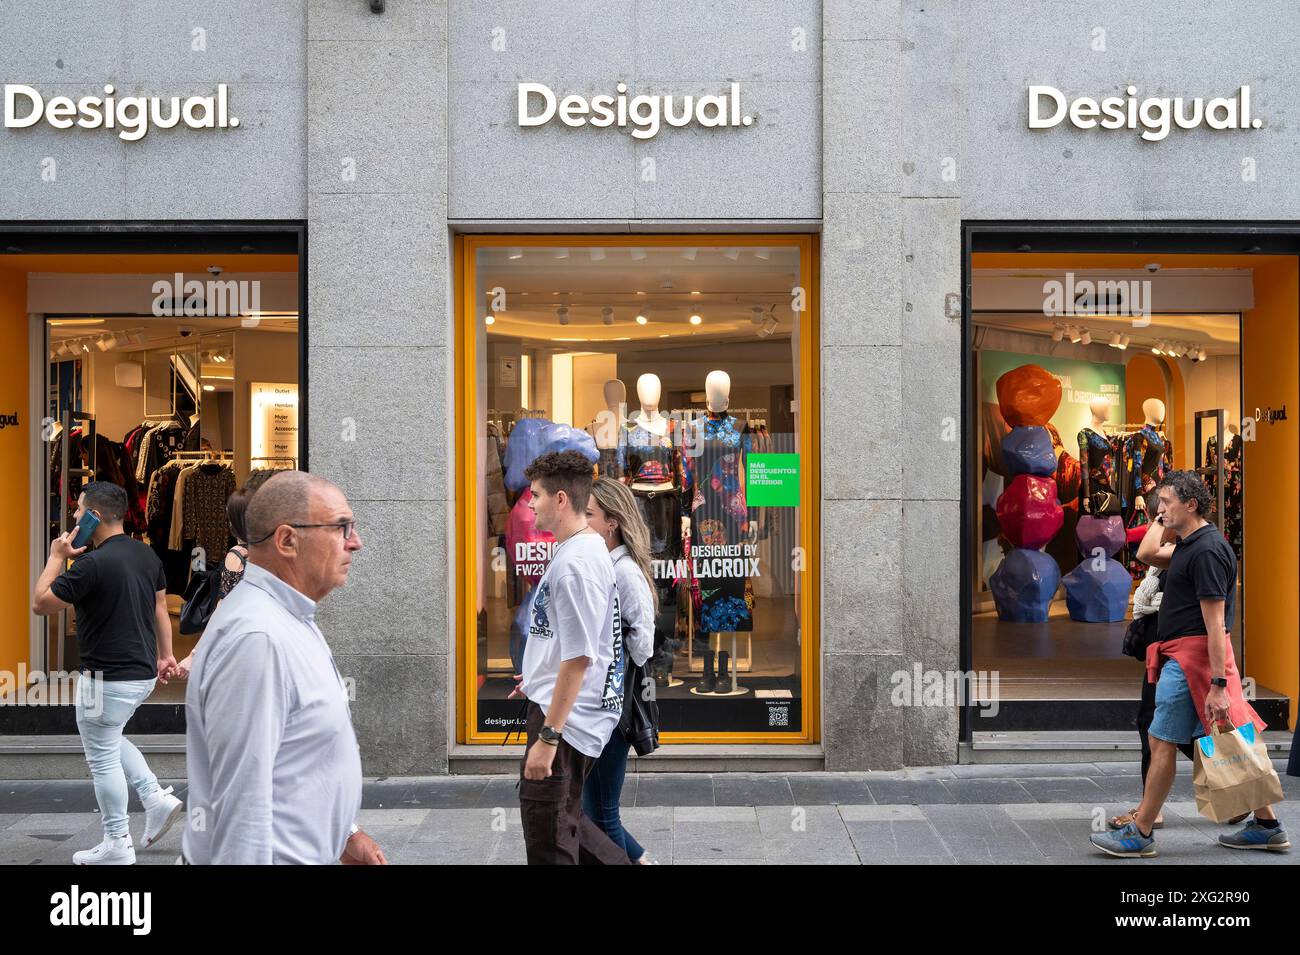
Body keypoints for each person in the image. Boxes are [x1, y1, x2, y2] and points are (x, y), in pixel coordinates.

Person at [181, 471, 387, 865]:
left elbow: (296, 759)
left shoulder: (286, 615)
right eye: (341, 527)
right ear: (287, 540)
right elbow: (243, 804)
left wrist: (344, 834)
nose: (355, 542)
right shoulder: (258, 638)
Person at [1091, 470, 1289, 857]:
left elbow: (1217, 625)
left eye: (1166, 502)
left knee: (1161, 738)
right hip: (1187, 659)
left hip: (1193, 663)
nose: (1159, 509)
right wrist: (1160, 520)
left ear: (1192, 505)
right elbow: (1147, 553)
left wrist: (1217, 684)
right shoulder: (1190, 545)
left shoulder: (1207, 551)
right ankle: (1267, 825)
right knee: (1226, 738)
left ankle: (1141, 831)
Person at [31, 481, 184, 864]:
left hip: (106, 680)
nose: (75, 518)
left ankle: (117, 842)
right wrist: (166, 655)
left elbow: (40, 604)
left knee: (100, 755)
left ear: (95, 516)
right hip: (143, 675)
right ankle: (154, 797)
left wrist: (55, 556)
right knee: (108, 737)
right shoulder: (146, 555)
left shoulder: (89, 564)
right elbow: (160, 608)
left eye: (79, 511)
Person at [510, 450, 632, 865]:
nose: (530, 503)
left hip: (565, 724)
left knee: (550, 839)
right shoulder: (579, 550)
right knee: (565, 821)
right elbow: (574, 642)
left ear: (561, 499)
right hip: (561, 710)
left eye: (536, 494)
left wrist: (548, 738)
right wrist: (536, 676)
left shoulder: (577, 563)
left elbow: (580, 658)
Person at [581, 477, 658, 864]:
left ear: (612, 522)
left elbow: (644, 645)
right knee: (589, 811)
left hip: (615, 707)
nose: (583, 520)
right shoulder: (602, 564)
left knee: (602, 813)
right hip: (598, 704)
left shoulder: (624, 571)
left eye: (589, 514)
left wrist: (608, 646)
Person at [174, 487, 251, 681]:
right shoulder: (268, 552)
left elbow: (222, 607)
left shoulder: (237, 555)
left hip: (234, 640)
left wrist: (194, 654)